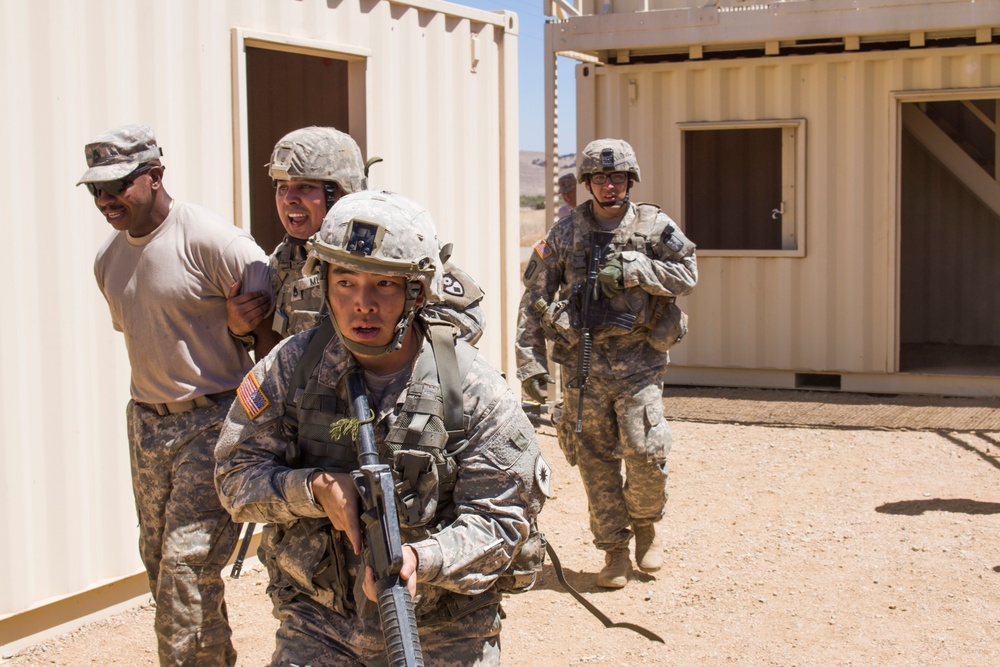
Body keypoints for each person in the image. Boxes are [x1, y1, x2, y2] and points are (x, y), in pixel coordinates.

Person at [215, 190, 549, 666]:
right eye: (346, 282)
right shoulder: (291, 368)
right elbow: (233, 478)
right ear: (324, 284)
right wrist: (311, 490)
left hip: (441, 630)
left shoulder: (470, 389)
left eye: (385, 286)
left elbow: (502, 520)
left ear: (417, 292)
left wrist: (420, 560)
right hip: (319, 624)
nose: (363, 304)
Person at [80, 124, 274, 665]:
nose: (105, 200)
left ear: (156, 176)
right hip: (145, 423)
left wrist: (241, 330)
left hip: (211, 420)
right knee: (160, 565)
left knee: (187, 569)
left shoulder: (215, 241)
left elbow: (277, 344)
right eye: (96, 190)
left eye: (117, 185)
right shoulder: (108, 259)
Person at [516, 138, 697, 589]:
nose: (609, 185)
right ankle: (614, 551)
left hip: (640, 362)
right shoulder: (565, 233)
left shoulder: (655, 227)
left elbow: (687, 274)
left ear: (630, 180)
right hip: (584, 366)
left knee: (644, 450)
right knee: (594, 462)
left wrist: (637, 268)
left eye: (617, 177)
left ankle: (646, 528)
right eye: (600, 177)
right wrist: (530, 364)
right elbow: (535, 298)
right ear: (587, 184)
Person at [262, 126, 486, 344]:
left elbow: (468, 320)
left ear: (342, 191)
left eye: (305, 187)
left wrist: (387, 352)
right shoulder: (285, 259)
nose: (289, 198)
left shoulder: (390, 242)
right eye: (282, 188)